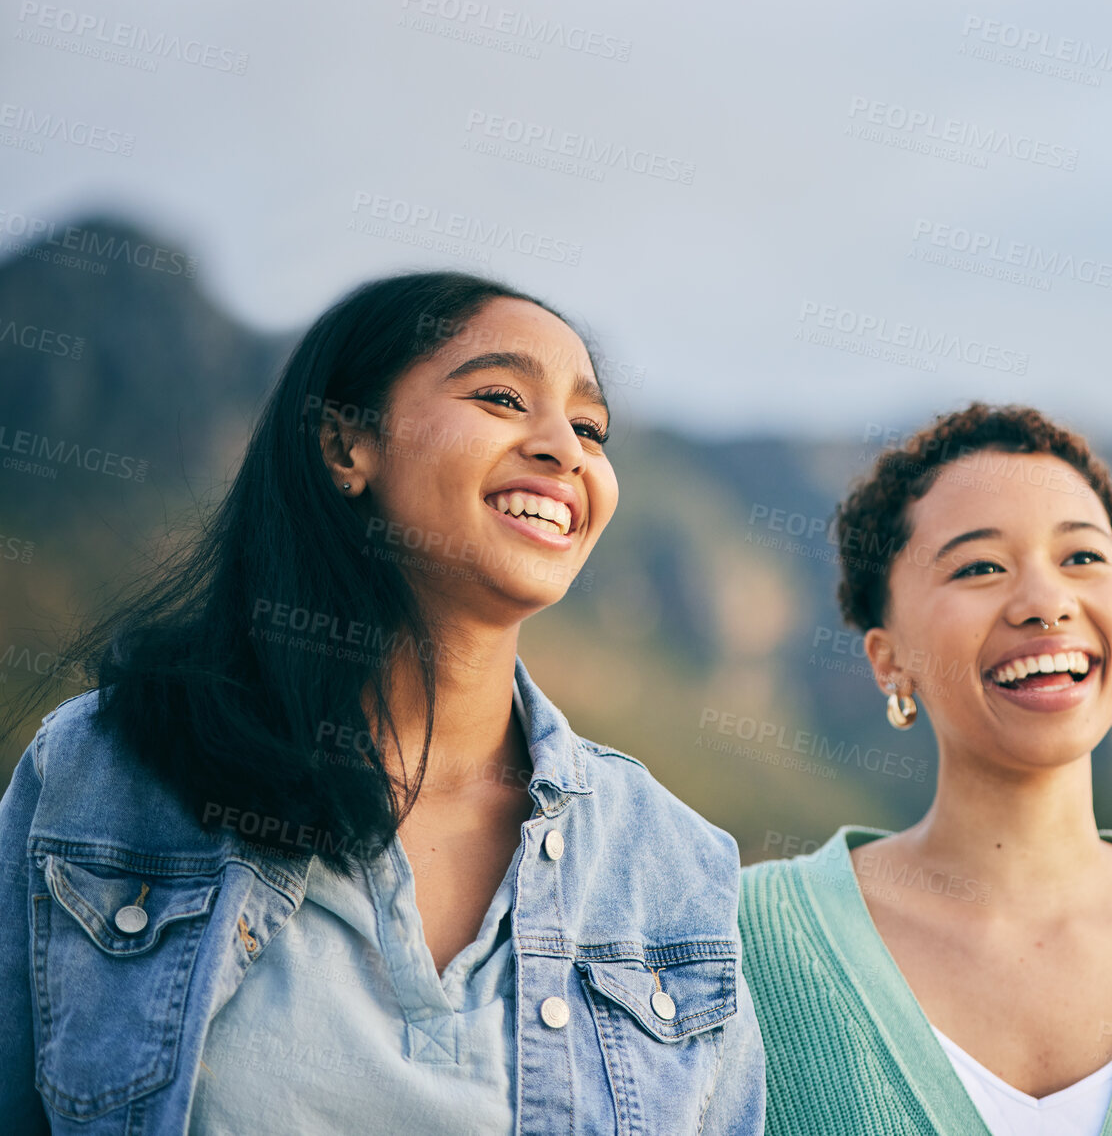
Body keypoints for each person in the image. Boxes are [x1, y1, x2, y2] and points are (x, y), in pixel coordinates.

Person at [0, 272, 764, 1135]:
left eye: (589, 427)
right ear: (344, 446)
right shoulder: (103, 771)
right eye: (503, 396)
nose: (566, 448)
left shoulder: (674, 866)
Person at [739, 403, 1112, 1134]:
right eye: (980, 566)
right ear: (888, 658)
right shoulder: (745, 938)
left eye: (1083, 558)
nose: (1045, 602)